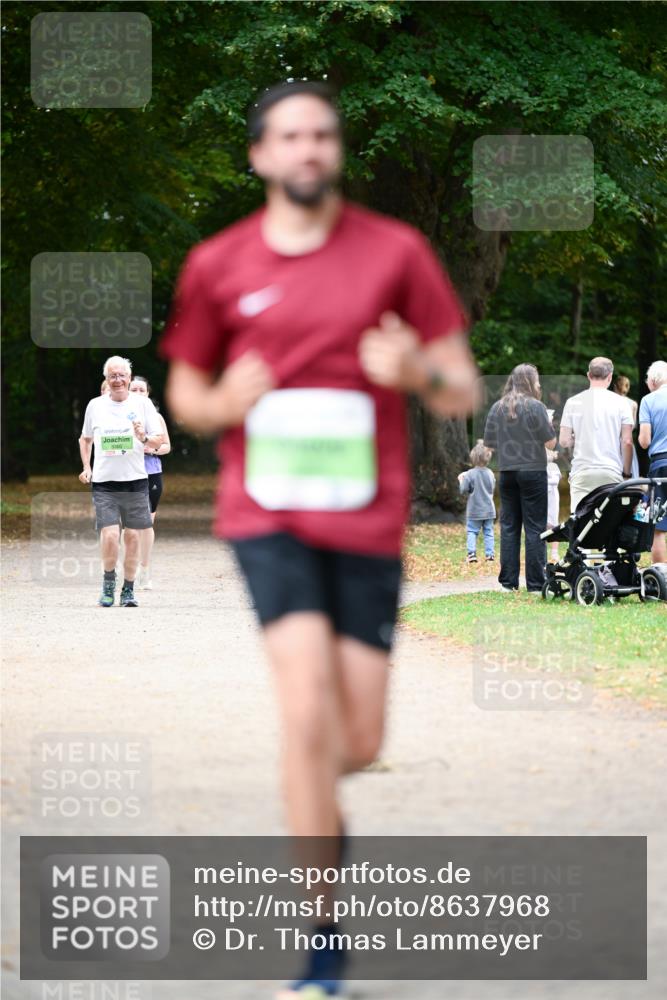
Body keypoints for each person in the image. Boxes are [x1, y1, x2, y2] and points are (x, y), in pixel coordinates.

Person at [160, 80, 477, 998]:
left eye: (322, 136)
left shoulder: (397, 252)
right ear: (259, 155)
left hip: (367, 519)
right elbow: (185, 391)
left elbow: (460, 385)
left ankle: (310, 774)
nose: (307, 150)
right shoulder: (217, 262)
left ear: (336, 151)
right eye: (289, 137)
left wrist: (413, 368)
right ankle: (321, 944)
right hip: (269, 516)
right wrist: (226, 403)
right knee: (305, 713)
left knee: (359, 737)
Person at [79, 356, 164, 608]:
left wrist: (144, 436)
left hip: (136, 481)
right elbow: (84, 439)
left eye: (122, 375)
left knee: (133, 538)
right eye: (112, 376)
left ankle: (128, 589)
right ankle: (108, 585)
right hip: (105, 482)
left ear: (129, 377)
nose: (118, 380)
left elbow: (158, 440)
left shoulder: (143, 403)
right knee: (109, 536)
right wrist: (86, 467)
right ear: (106, 379)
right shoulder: (95, 405)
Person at [483, 364, 556, 593]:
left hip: (507, 472)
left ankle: (508, 583)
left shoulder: (497, 407)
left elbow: (489, 443)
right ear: (531, 382)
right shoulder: (536, 407)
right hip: (533, 471)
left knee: (509, 527)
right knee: (535, 528)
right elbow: (551, 443)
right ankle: (535, 584)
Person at [559, 357, 634, 512]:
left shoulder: (573, 402)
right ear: (610, 377)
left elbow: (564, 441)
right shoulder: (622, 403)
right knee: (609, 522)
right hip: (611, 471)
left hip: (582, 471)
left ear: (588, 375)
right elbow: (627, 441)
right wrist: (626, 473)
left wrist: (578, 438)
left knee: (580, 523)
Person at [129, 376, 171, 589]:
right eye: (133, 389)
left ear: (147, 393)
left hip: (151, 474)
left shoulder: (156, 417)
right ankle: (130, 568)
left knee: (145, 523)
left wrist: (151, 449)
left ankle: (144, 569)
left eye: (141, 390)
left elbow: (166, 447)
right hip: (127, 473)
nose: (137, 393)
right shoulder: (120, 416)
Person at [638, 360, 667, 564]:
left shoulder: (648, 401)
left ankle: (662, 581)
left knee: (659, 529)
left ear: (654, 380)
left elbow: (645, 441)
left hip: (661, 466)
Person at [457, 440, 495, 563]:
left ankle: (472, 554)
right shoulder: (490, 473)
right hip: (489, 509)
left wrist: (461, 479)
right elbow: (492, 487)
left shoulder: (470, 474)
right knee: (489, 532)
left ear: (473, 457)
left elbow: (463, 489)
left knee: (472, 531)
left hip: (474, 510)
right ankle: (490, 555)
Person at [612, 373, 639, 477]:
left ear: (615, 386)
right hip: (627, 441)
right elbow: (633, 426)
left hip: (613, 442)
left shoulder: (610, 401)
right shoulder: (633, 404)